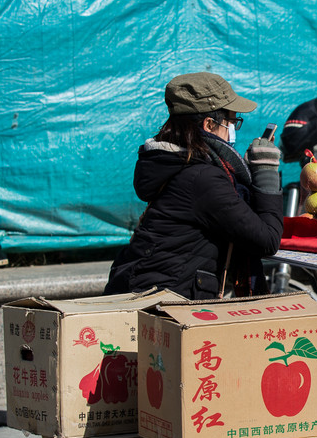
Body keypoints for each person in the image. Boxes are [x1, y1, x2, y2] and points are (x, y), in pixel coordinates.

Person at [104, 72, 283, 298]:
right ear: (209, 124)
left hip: (146, 289)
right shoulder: (202, 178)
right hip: (164, 302)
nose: (233, 128)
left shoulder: (180, 163)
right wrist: (266, 173)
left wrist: (246, 176)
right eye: (232, 121)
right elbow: (267, 240)